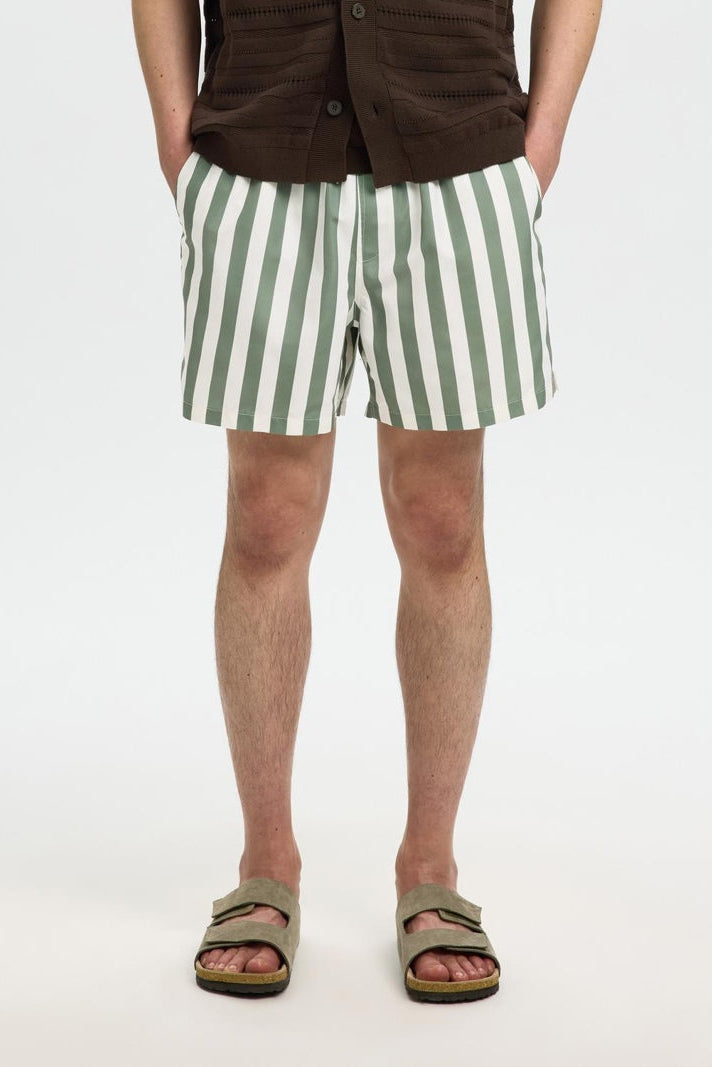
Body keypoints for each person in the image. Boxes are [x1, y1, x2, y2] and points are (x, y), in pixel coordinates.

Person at [132, 0, 601, 1002]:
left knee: (443, 519)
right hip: (257, 154)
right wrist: (177, 143)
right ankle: (266, 862)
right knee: (266, 518)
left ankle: (431, 865)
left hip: (461, 153)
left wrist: (542, 142)